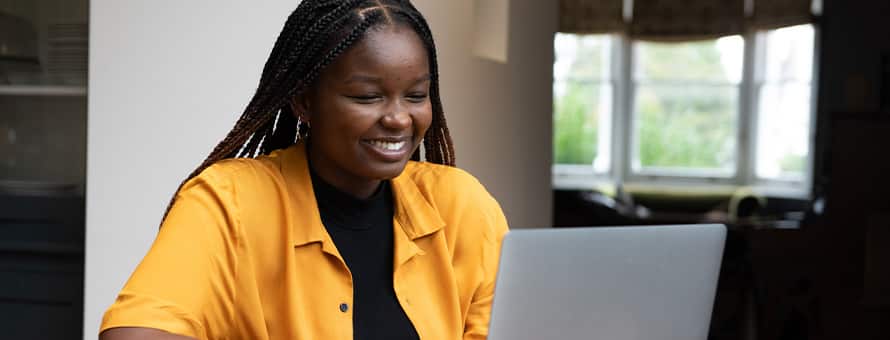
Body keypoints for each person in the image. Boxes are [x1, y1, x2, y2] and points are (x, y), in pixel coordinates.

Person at [98, 1, 509, 339]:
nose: (399, 119)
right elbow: (136, 334)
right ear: (304, 102)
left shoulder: (462, 207)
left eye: (416, 95)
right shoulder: (230, 203)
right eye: (368, 97)